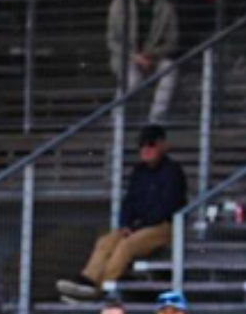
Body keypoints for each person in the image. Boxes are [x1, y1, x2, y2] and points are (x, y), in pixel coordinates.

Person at [57, 127, 186, 301]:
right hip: (138, 227)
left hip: (163, 227)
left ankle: (101, 288)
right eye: (142, 145)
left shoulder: (172, 172)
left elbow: (167, 206)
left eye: (151, 144)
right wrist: (126, 224)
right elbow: (129, 202)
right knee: (106, 241)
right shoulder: (138, 172)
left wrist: (138, 225)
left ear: (163, 145)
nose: (146, 149)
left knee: (126, 245)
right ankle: (87, 281)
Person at [106, 0, 177, 126]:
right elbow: (112, 39)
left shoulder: (165, 7)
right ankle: (116, 118)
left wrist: (150, 55)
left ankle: (155, 120)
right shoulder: (120, 3)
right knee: (132, 80)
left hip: (153, 57)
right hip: (126, 57)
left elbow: (172, 41)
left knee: (170, 68)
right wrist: (134, 56)